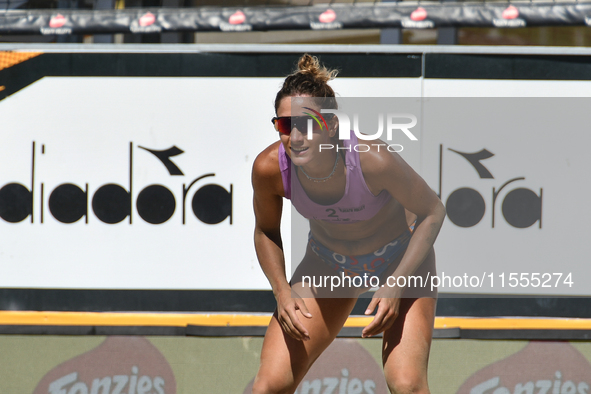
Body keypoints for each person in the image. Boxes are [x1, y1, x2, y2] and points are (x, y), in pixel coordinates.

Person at [251, 54, 446, 394]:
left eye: (307, 124)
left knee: (407, 382)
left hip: (398, 263)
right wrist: (282, 291)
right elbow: (266, 231)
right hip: (328, 264)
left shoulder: (374, 159)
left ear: (331, 125)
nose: (295, 137)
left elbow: (433, 211)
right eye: (285, 125)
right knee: (269, 385)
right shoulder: (269, 169)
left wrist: (396, 284)